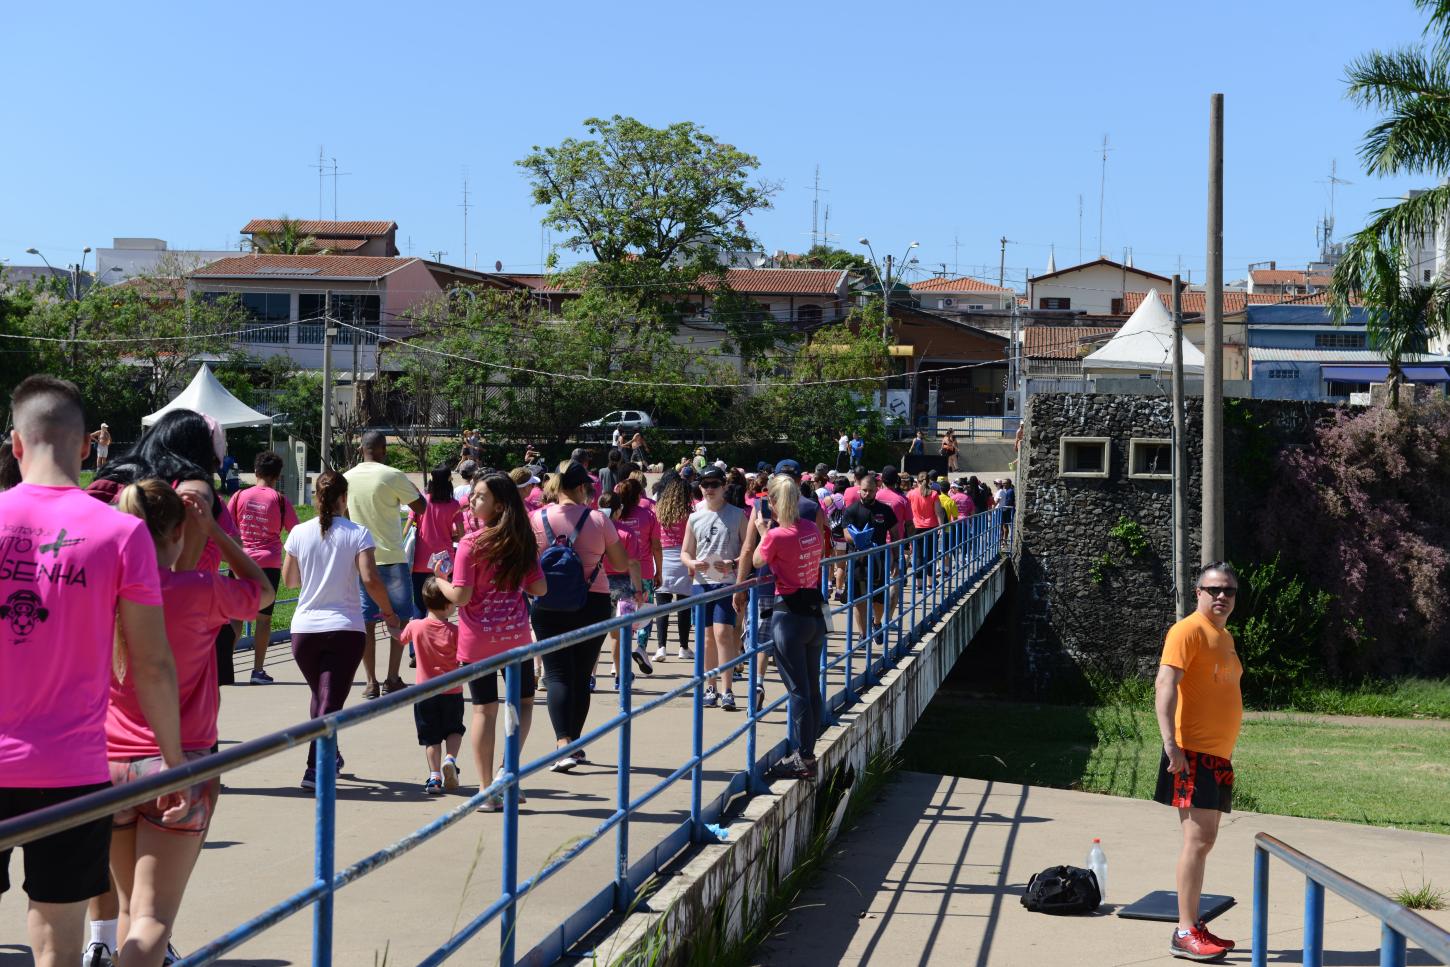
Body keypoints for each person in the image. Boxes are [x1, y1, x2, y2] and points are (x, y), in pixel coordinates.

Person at [0, 376, 185, 967]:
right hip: (72, 769)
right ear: (86, 447)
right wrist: (175, 763)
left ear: (16, 443)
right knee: (57, 936)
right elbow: (152, 663)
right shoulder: (121, 531)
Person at [109, 479, 270, 966]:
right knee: (154, 916)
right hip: (178, 765)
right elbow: (264, 591)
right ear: (178, 532)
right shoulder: (201, 591)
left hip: (108, 765)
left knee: (127, 907)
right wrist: (218, 535)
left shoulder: (104, 592)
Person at [431, 473, 547, 811]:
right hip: (515, 639)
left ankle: (485, 790)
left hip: (478, 641)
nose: (471, 501)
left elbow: (461, 596)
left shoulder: (471, 543)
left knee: (484, 709)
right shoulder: (522, 540)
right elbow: (539, 589)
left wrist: (440, 580)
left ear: (498, 503)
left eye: (479, 496)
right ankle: (506, 772)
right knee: (523, 704)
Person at [282, 470, 402, 789]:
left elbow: (290, 581)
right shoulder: (357, 532)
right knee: (329, 703)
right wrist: (388, 612)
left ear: (315, 498)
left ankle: (330, 757)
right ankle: (314, 768)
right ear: (343, 499)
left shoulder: (297, 532)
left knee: (322, 697)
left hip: (304, 631)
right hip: (345, 630)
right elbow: (371, 579)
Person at [1154, 562, 1243, 962]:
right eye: (1213, 589)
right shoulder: (1186, 630)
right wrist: (1170, 744)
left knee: (1204, 842)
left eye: (1229, 591)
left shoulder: (1223, 637)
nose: (1221, 596)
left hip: (1215, 755)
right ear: (1198, 593)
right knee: (1197, 840)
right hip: (1190, 753)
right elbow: (1165, 683)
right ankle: (1184, 931)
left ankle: (1192, 925)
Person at [529, 462, 629, 771]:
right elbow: (620, 563)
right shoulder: (598, 519)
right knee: (581, 674)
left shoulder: (537, 517)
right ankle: (573, 743)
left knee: (557, 673)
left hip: (547, 601)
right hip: (592, 600)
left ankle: (563, 743)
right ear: (581, 488)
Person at [752, 474, 826, 780]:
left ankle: (802, 757)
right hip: (814, 612)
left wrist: (761, 531)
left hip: (788, 615)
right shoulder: (811, 527)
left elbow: (757, 561)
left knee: (797, 690)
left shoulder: (775, 535)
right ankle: (808, 749)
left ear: (772, 502)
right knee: (811, 686)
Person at [344, 430, 425, 698]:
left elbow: (342, 514)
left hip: (361, 559)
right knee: (401, 618)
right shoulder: (391, 475)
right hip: (392, 558)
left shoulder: (347, 478)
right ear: (383, 450)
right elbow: (420, 507)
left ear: (360, 450)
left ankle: (370, 682)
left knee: (366, 620)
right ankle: (392, 677)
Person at [680, 466, 749, 710]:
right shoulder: (694, 516)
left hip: (727, 581)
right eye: (705, 485)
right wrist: (692, 563)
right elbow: (685, 552)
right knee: (706, 636)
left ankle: (727, 688)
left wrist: (732, 563)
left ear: (724, 487)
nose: (709, 489)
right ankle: (710, 686)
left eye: (714, 485)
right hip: (702, 582)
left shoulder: (738, 514)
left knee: (724, 633)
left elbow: (748, 551)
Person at [228, 450, 299, 685]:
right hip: (268, 564)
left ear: (256, 471)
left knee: (235, 617)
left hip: (240, 562)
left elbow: (226, 529)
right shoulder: (279, 500)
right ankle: (257, 670)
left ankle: (224, 667)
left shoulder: (238, 496)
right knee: (264, 619)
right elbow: (295, 532)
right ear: (277, 476)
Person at [398, 579, 465, 796]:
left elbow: (400, 638)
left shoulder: (415, 626)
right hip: (452, 691)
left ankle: (435, 776)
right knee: (455, 729)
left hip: (425, 693)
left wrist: (391, 623)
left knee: (431, 737)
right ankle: (450, 759)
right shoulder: (456, 631)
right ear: (447, 606)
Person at [599, 491, 648, 691]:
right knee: (621, 636)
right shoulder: (626, 533)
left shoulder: (594, 529)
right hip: (624, 587)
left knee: (596, 635)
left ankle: (590, 677)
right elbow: (634, 564)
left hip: (597, 584)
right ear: (618, 511)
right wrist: (638, 590)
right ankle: (621, 677)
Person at [839, 473, 899, 636]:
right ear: (859, 490)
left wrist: (896, 558)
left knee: (878, 599)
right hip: (857, 561)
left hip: (879, 560)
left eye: (870, 491)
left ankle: (876, 622)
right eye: (864, 490)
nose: (867, 494)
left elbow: (894, 533)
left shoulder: (885, 510)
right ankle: (863, 635)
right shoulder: (852, 510)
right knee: (859, 600)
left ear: (877, 490)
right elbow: (845, 534)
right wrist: (858, 539)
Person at [612, 477, 663, 661]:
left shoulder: (616, 516)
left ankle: (619, 657)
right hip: (645, 570)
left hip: (618, 571)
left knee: (621, 615)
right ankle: (641, 646)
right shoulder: (648, 515)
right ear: (639, 495)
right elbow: (656, 546)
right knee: (645, 611)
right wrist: (660, 571)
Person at [652, 473, 696, 664]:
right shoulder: (689, 513)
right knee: (684, 606)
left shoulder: (658, 510)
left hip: (663, 556)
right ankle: (683, 647)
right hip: (683, 557)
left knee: (662, 606)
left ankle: (661, 647)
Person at [410, 466, 463, 621]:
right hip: (444, 563)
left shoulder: (422, 502)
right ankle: (441, 644)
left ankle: (417, 644)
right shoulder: (454, 505)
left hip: (420, 561)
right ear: (449, 482)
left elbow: (408, 528)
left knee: (419, 607)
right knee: (441, 608)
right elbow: (462, 535)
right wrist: (449, 537)